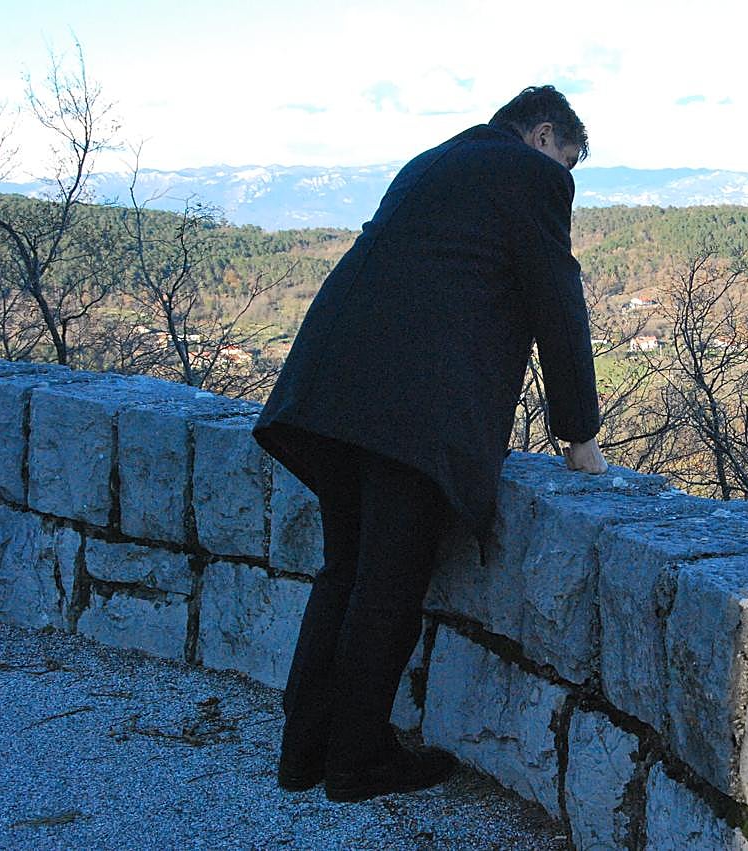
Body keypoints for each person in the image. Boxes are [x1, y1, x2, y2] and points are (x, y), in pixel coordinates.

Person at [251, 85, 609, 803]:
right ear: (543, 136)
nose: (564, 179)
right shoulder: (531, 175)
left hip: (330, 389)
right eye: (567, 162)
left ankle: (304, 751)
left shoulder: (434, 161)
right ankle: (355, 761)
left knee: (344, 570)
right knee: (388, 584)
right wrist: (579, 434)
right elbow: (555, 299)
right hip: (413, 408)